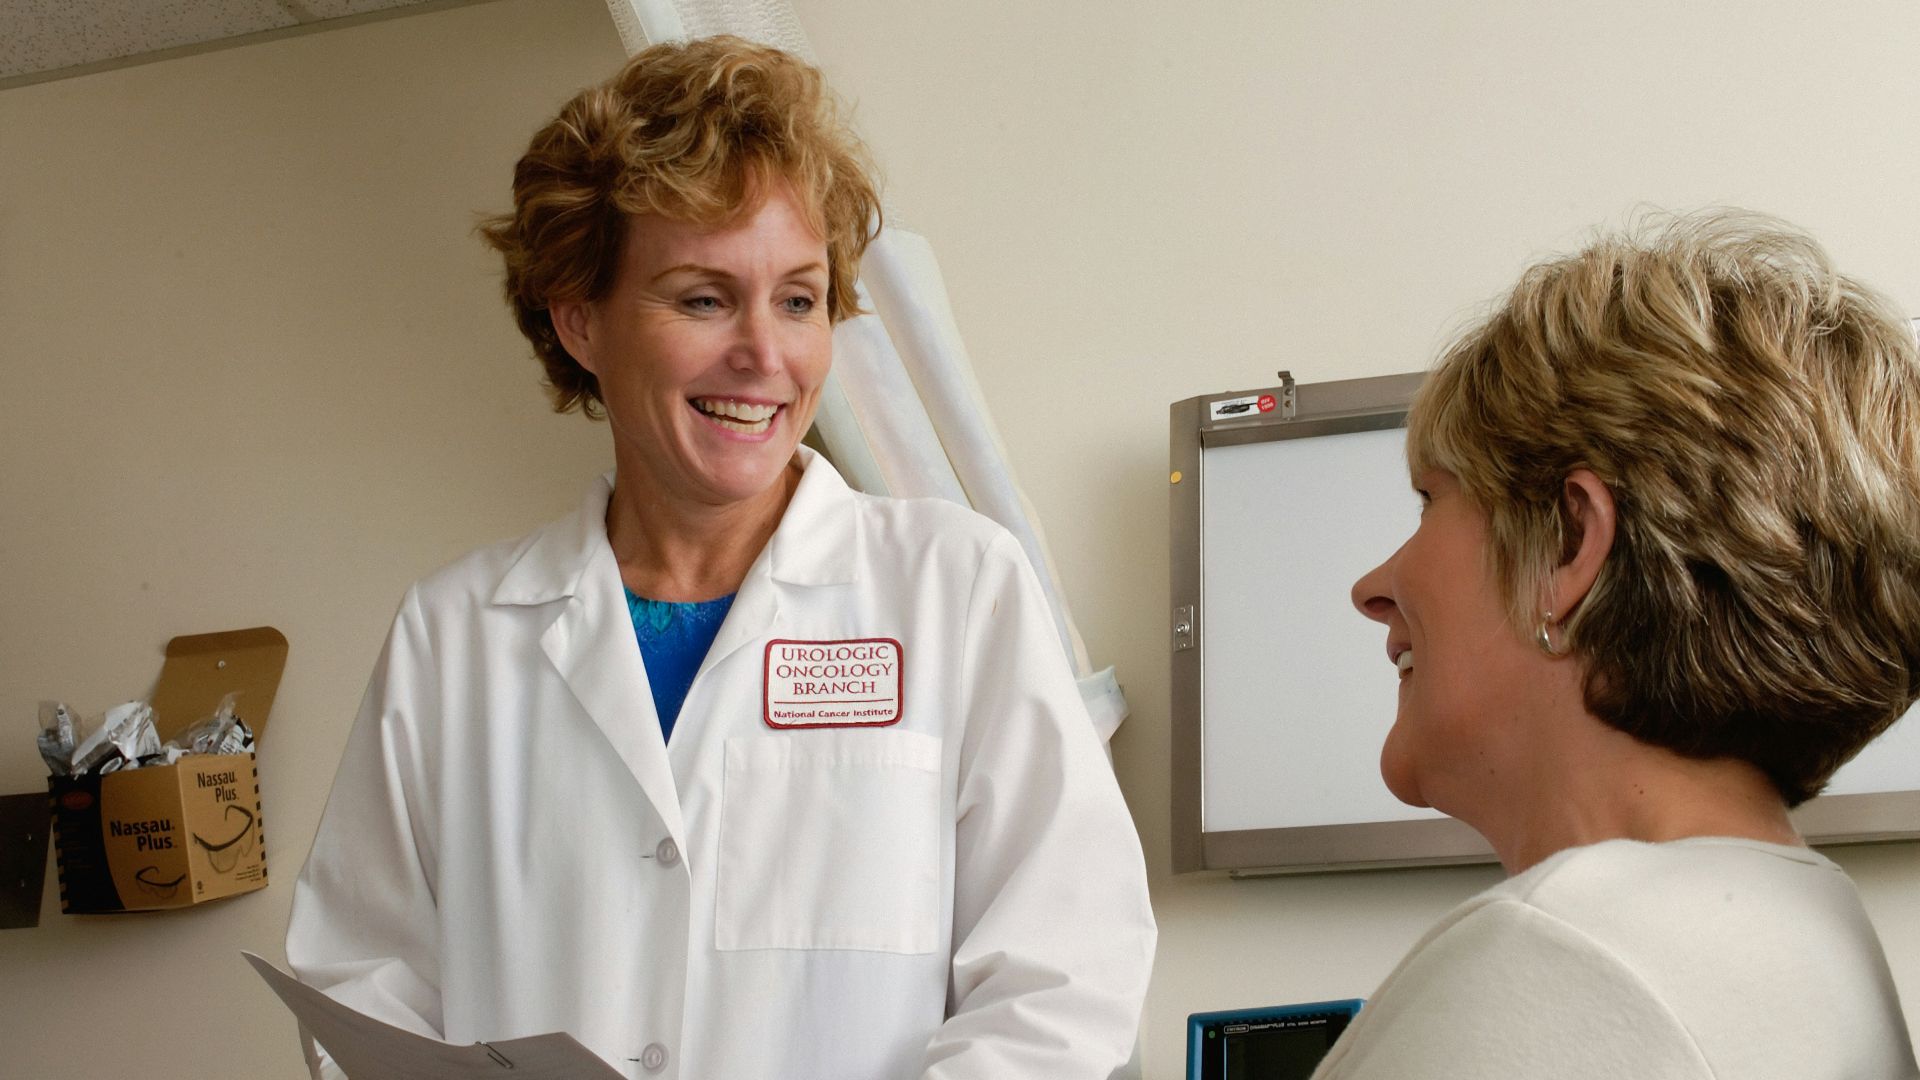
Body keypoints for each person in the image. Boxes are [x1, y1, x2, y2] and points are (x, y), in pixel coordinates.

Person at [286, 36, 1154, 1080]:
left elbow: (1063, 976)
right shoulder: (454, 635)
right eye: (703, 298)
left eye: (798, 299)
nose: (766, 354)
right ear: (580, 323)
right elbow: (362, 979)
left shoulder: (956, 590)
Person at [1324, 211, 1920, 1078]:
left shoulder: (1561, 965)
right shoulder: (1809, 932)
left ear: (1569, 547)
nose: (1371, 588)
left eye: (1431, 501)